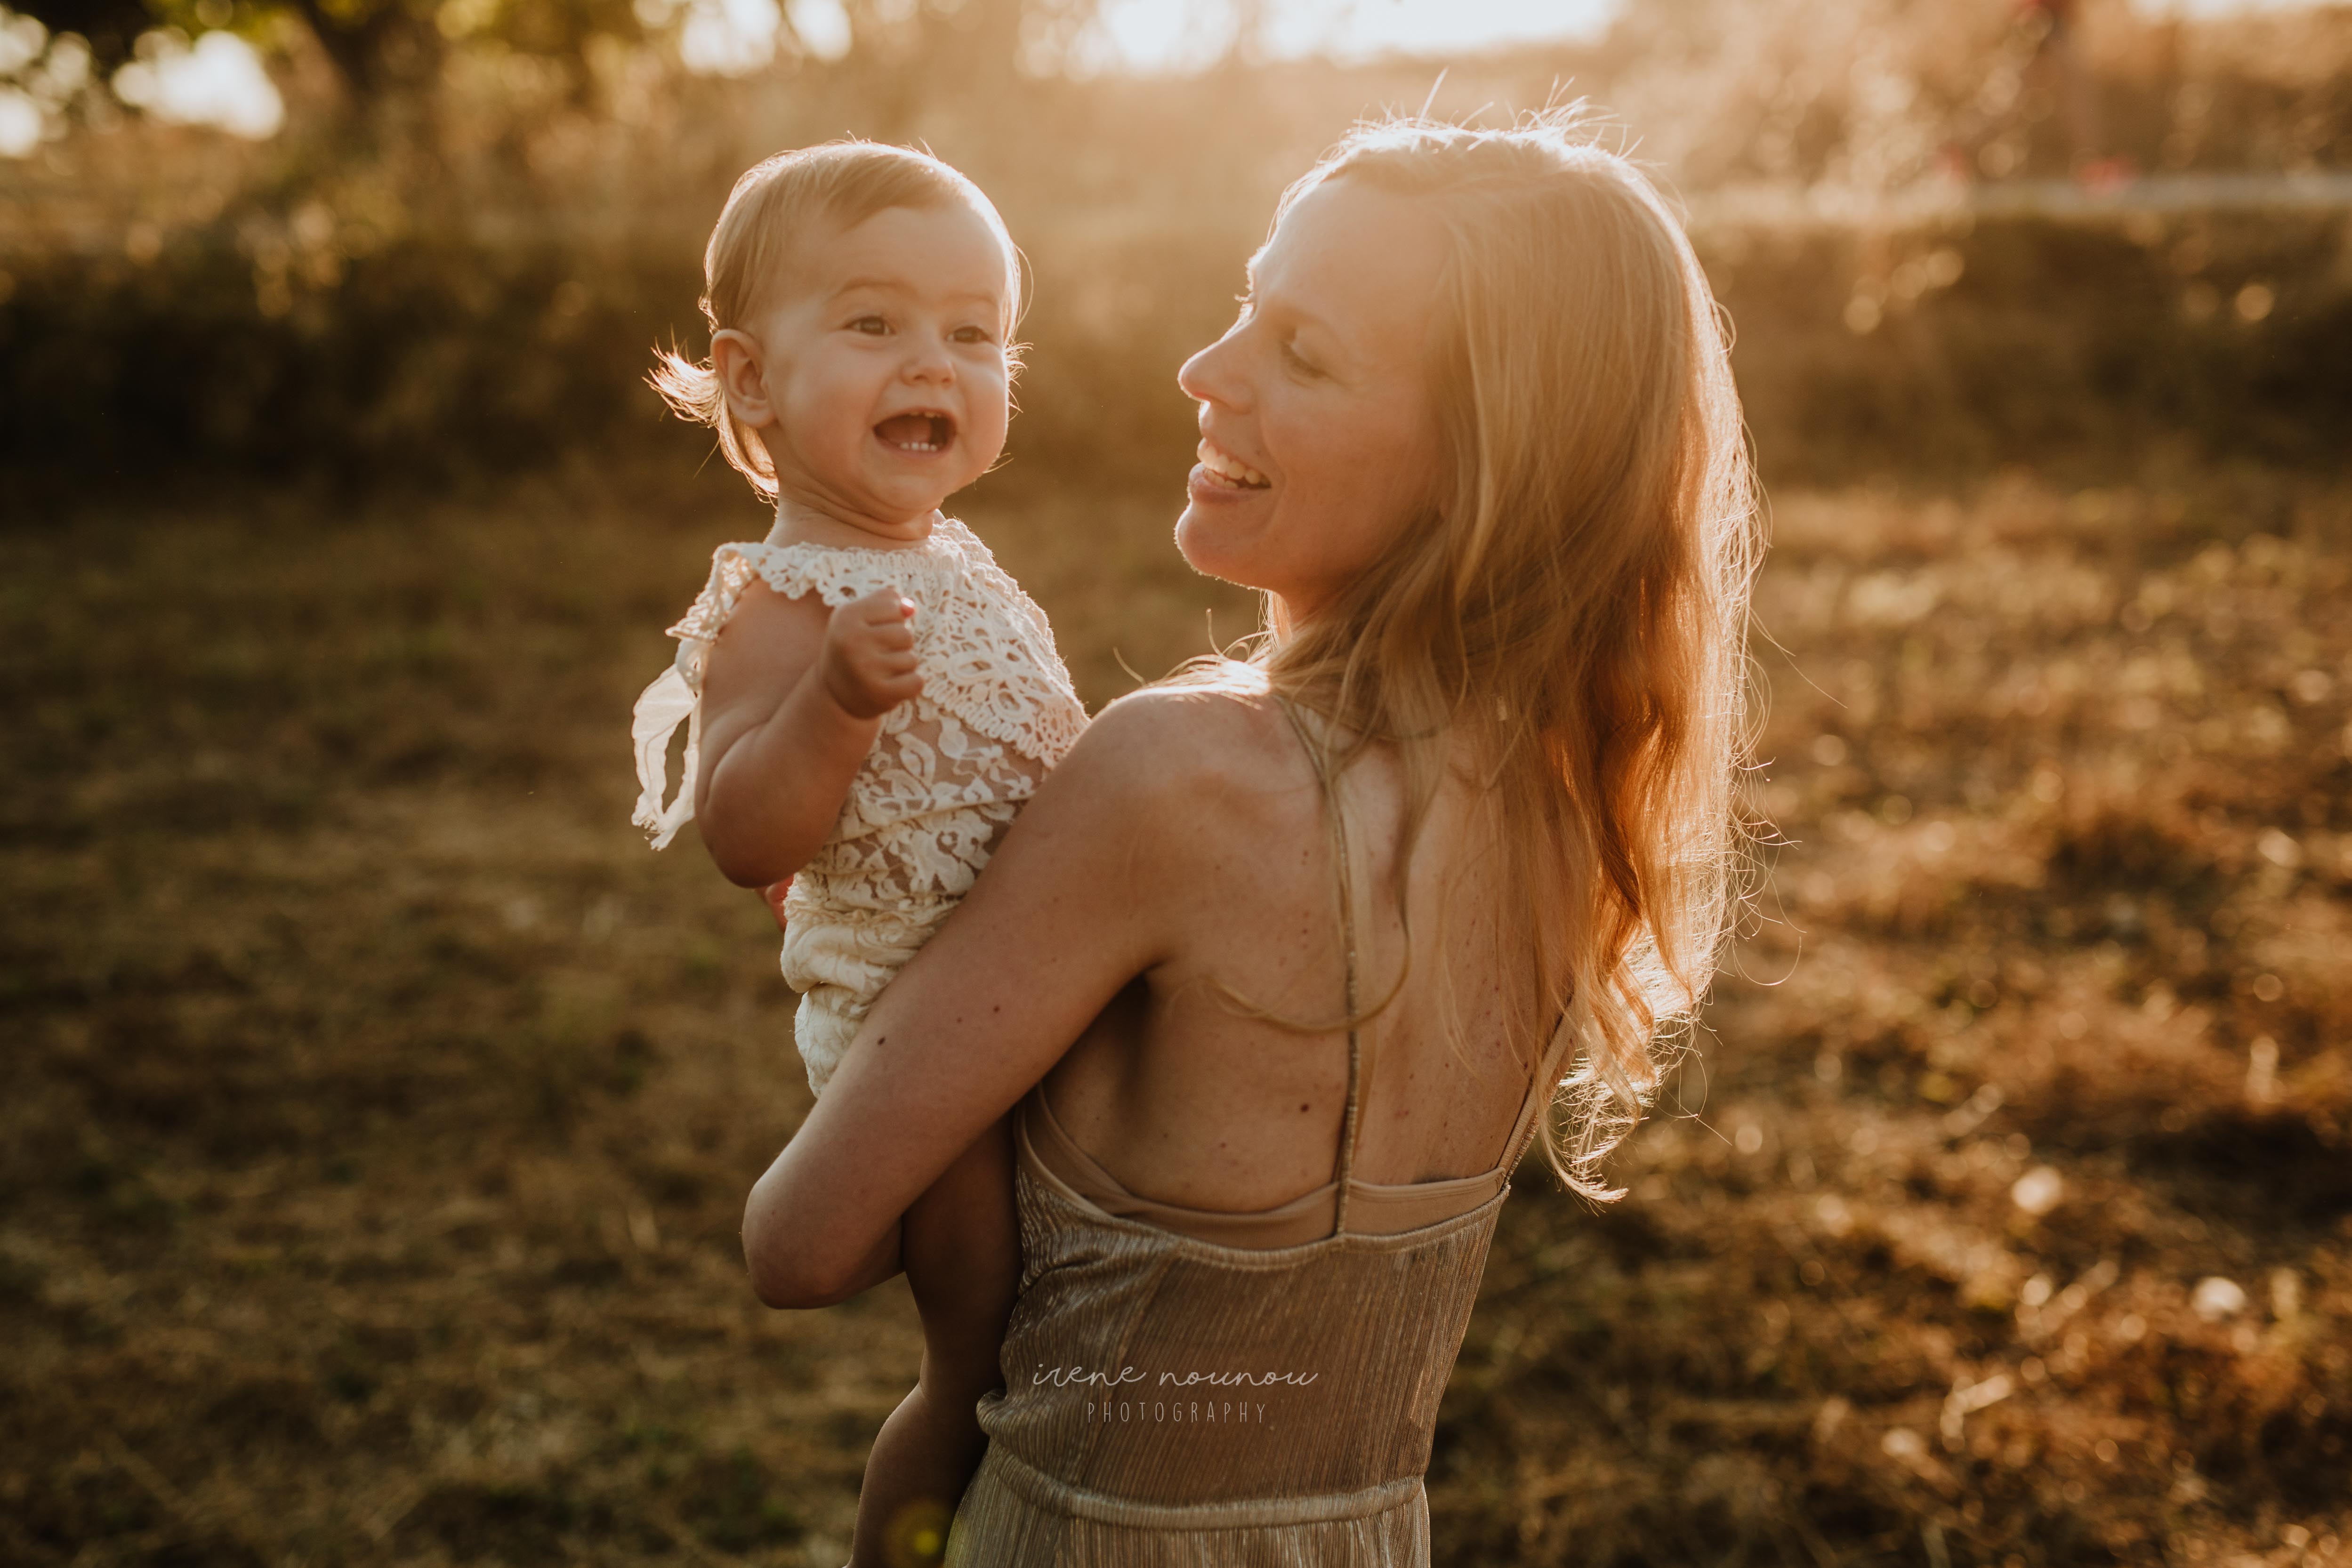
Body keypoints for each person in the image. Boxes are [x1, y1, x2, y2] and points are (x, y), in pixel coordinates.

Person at [743, 110, 1761, 1564]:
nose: (1204, 371)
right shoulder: (1568, 807)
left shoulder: (1169, 782)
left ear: (1478, 462)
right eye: (1245, 306)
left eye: (1304, 354)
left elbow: (802, 1242)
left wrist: (865, 936)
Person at [627, 141, 1088, 1568]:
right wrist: (830, 708)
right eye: (876, 323)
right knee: (982, 1367)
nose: (932, 363)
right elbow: (741, 832)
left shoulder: (956, 559)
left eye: (974, 334)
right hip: (912, 1018)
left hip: (1035, 978)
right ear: (753, 381)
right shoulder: (779, 601)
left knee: (1066, 1314)